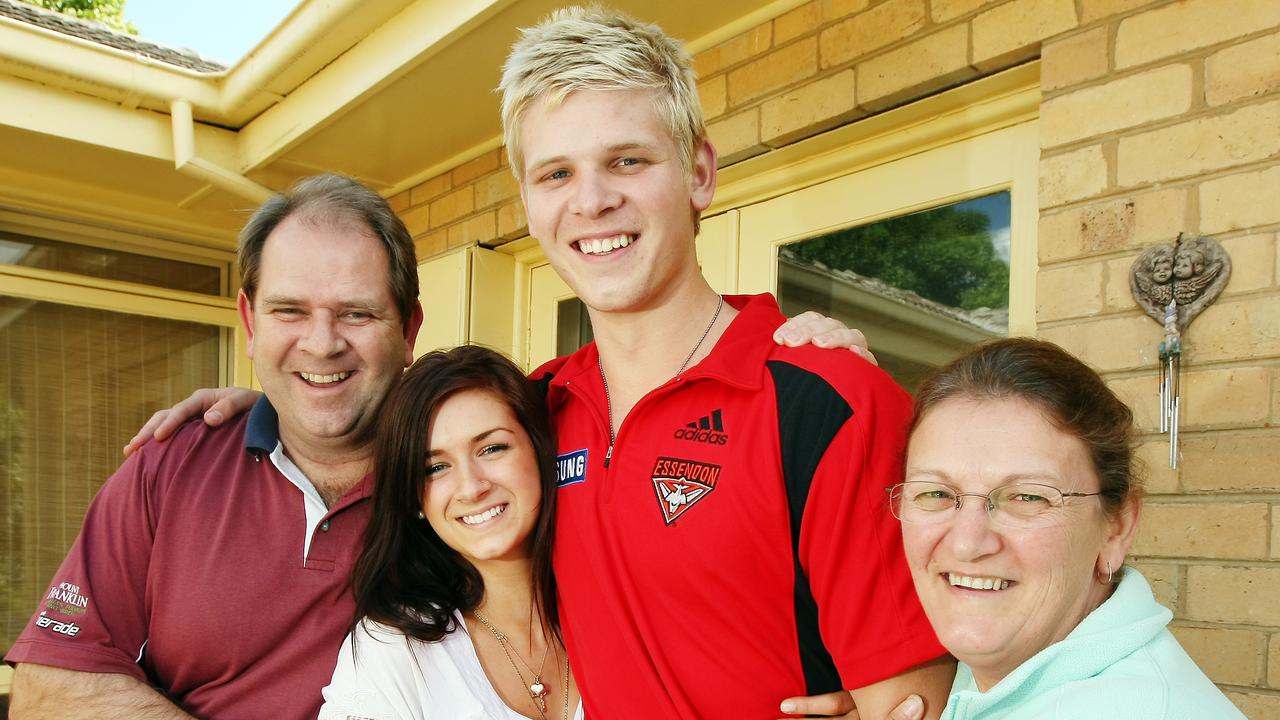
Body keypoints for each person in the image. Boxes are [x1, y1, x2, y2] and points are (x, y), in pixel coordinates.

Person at [500, 7, 951, 717]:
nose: (592, 200)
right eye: (555, 173)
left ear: (700, 174)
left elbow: (914, 704)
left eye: (628, 160)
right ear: (528, 204)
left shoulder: (827, 402)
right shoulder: (526, 417)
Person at [5, 174, 425, 719]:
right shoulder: (171, 464)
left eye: (356, 313)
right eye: (289, 311)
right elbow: (47, 693)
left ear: (409, 328)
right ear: (250, 323)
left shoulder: (466, 479)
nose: (322, 344)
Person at [890, 338, 1245, 719]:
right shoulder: (1001, 668)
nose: (966, 543)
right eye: (936, 493)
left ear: (1116, 529)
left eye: (1027, 497)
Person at [318, 345, 583, 720]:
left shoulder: (607, 613)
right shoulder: (395, 649)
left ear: (539, 451)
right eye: (436, 468)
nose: (472, 487)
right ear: (414, 498)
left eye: (492, 448)